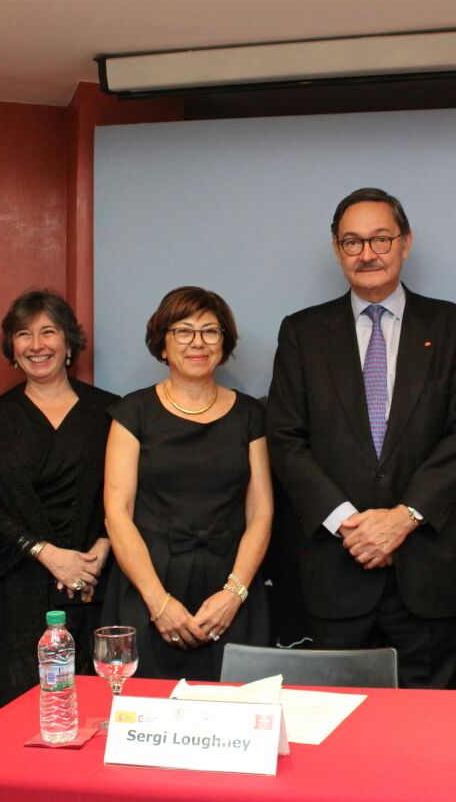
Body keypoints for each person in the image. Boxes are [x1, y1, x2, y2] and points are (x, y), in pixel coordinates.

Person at [267, 187, 456, 689]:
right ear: (336, 250)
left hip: (427, 573)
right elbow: (285, 437)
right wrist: (351, 525)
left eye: (381, 239)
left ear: (405, 243)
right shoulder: (302, 333)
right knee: (334, 736)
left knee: (426, 736)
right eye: (352, 242)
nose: (367, 253)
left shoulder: (454, 327)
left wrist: (402, 519)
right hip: (336, 572)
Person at [101, 286, 272, 681]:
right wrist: (159, 603)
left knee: (237, 719)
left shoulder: (250, 414)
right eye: (183, 331)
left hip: (232, 588)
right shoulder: (133, 411)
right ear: (163, 344)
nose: (198, 342)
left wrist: (235, 593)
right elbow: (117, 513)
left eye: (210, 332)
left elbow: (261, 511)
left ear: (223, 344)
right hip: (149, 586)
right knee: (145, 720)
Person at [0, 289, 118, 718]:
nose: (37, 345)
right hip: (17, 591)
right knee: (15, 721)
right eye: (24, 334)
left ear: (69, 343)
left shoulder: (110, 411)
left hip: (94, 587)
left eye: (48, 331)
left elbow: (129, 494)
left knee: (94, 714)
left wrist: (104, 547)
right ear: (11, 348)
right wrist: (46, 553)